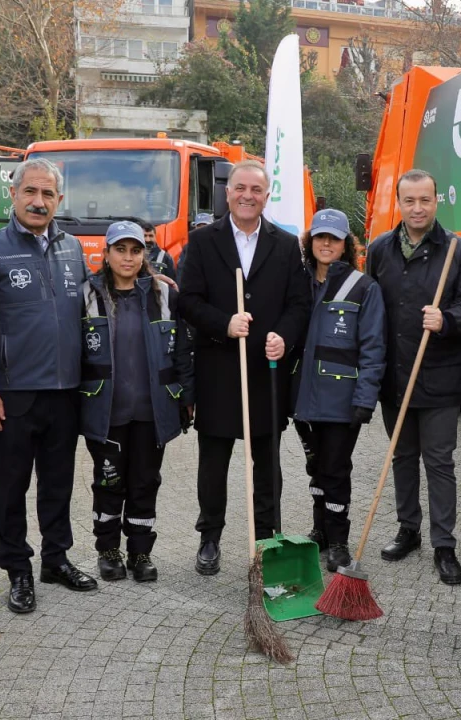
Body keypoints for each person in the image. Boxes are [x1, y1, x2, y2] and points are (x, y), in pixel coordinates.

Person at [0, 157, 98, 614]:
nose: (39, 201)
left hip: (65, 392)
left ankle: (56, 559)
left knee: (58, 484)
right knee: (11, 487)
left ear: (59, 199)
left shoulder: (72, 248)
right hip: (11, 395)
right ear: (13, 195)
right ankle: (17, 568)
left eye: (48, 194)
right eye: (31, 192)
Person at [178, 159, 311, 575]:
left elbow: (299, 304)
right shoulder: (203, 241)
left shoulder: (285, 245)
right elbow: (187, 301)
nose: (247, 196)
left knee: (267, 467)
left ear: (266, 196)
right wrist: (224, 324)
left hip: (265, 374)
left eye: (256, 190)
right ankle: (209, 537)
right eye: (240, 188)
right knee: (213, 465)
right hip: (218, 371)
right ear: (228, 192)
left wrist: (283, 337)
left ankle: (266, 539)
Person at [365, 168, 461, 586]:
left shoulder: (458, 252)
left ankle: (444, 544)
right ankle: (408, 529)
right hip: (394, 377)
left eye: (425, 200)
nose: (418, 208)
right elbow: (369, 310)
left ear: (437, 201)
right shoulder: (379, 250)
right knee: (402, 457)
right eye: (409, 200)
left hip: (439, 377)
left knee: (439, 462)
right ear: (399, 203)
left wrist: (446, 319)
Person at [80, 221, 194, 583]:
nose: (128, 258)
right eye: (120, 250)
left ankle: (140, 552)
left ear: (144, 254)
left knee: (145, 483)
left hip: (151, 412)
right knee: (109, 483)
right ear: (106, 254)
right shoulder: (87, 295)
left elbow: (183, 352)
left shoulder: (164, 296)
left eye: (135, 250)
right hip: (106, 412)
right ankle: (108, 551)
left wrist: (187, 396)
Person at [290, 209, 386, 572]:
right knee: (315, 466)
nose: (326, 243)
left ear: (346, 244)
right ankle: (321, 531)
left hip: (342, 401)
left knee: (335, 469)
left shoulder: (364, 288)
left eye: (334, 238)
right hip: (303, 399)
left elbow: (374, 348)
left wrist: (365, 398)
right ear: (310, 241)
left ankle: (339, 541)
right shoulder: (298, 283)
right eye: (320, 236)